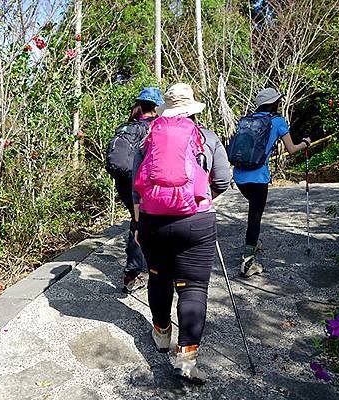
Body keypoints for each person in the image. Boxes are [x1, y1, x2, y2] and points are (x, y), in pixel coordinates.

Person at [132, 83, 231, 383]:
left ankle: (162, 334)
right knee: (193, 287)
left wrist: (138, 225)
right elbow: (224, 180)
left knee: (159, 277)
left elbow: (136, 189)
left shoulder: (148, 139)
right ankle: (186, 360)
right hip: (197, 222)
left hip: (152, 223)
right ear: (191, 110)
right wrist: (203, 197)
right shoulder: (207, 138)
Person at [232, 88, 311, 277]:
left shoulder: (247, 120)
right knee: (255, 217)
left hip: (239, 176)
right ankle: (247, 262)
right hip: (258, 178)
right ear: (275, 103)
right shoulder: (277, 121)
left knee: (253, 211)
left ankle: (253, 243)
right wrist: (305, 143)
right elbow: (291, 149)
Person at [106, 87, 164, 294]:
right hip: (141, 181)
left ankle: (137, 269)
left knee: (137, 220)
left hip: (123, 181)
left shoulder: (127, 127)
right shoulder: (155, 126)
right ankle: (134, 272)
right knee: (141, 223)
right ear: (156, 106)